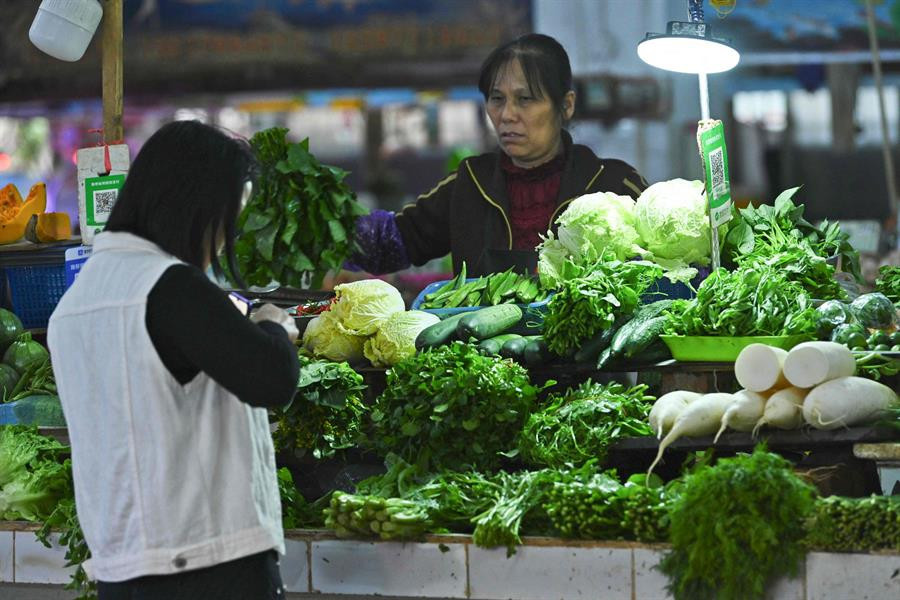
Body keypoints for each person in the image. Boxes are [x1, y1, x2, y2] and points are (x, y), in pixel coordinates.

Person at [47, 121, 300, 600]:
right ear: (195, 210)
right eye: (226, 222)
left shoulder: (75, 304)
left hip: (123, 574)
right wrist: (273, 326)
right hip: (208, 567)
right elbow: (273, 379)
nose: (223, 242)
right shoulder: (169, 287)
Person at [351, 33, 649, 277]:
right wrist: (319, 222)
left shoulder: (614, 184)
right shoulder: (470, 184)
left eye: (525, 99)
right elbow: (390, 242)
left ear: (566, 105)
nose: (507, 115)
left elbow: (676, 268)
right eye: (497, 99)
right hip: (485, 350)